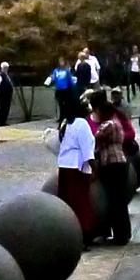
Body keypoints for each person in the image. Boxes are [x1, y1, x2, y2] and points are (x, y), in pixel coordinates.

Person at [91, 93, 134, 246]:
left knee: (114, 200)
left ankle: (119, 235)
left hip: (111, 163)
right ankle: (123, 233)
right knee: (120, 200)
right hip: (120, 162)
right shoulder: (117, 123)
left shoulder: (108, 125)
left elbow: (95, 139)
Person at [54, 102, 98, 238]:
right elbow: (87, 149)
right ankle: (83, 232)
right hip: (77, 166)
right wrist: (94, 168)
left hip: (64, 165)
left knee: (67, 199)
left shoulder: (67, 123)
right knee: (80, 202)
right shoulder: (82, 124)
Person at [0, 62, 17, 128]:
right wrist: (1, 91)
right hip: (3, 95)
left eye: (7, 68)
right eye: (5, 68)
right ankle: (2, 122)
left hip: (8, 95)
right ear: (2, 68)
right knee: (3, 108)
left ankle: (4, 121)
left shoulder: (7, 75)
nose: (6, 69)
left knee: (7, 108)